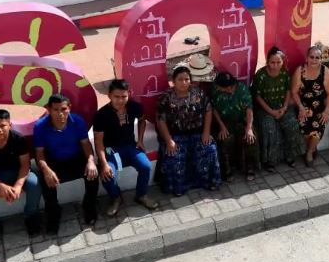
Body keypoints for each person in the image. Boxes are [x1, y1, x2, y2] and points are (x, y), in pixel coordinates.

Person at [33, 94, 99, 232]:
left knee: (93, 174)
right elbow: (39, 154)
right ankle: (53, 214)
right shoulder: (40, 127)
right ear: (48, 110)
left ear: (69, 108)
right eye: (55, 110)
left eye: (63, 109)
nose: (60, 114)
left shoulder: (78, 121)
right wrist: (47, 171)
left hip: (76, 158)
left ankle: (89, 207)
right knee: (45, 181)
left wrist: (91, 161)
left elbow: (86, 145)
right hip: (54, 161)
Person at [0, 109, 41, 244]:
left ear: (10, 125)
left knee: (34, 183)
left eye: (2, 126)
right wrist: (0, 186)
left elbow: (25, 165)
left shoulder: (18, 139)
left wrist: (18, 186)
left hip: (17, 173)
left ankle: (31, 216)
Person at [93, 79, 158, 216]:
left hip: (130, 147)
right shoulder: (101, 115)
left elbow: (142, 120)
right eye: (117, 97)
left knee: (145, 166)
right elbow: (98, 141)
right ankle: (116, 198)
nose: (120, 100)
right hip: (111, 150)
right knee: (108, 175)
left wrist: (140, 140)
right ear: (109, 95)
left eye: (124, 96)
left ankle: (141, 195)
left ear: (129, 94)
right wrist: (103, 163)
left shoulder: (135, 107)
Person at [155, 66, 221, 196]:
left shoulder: (198, 93)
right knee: (174, 156)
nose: (184, 82)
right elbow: (160, 120)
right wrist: (169, 141)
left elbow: (208, 110)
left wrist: (206, 132)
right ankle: (178, 188)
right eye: (180, 79)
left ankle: (209, 182)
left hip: (197, 132)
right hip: (176, 136)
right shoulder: (166, 97)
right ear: (173, 81)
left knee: (209, 149)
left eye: (186, 79)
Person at [251, 47, 302, 171]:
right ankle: (270, 161)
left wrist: (284, 108)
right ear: (267, 62)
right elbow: (257, 97)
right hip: (265, 108)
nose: (275, 65)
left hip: (281, 106)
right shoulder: (261, 75)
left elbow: (288, 91)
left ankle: (290, 156)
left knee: (292, 124)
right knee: (269, 127)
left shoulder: (284, 73)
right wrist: (271, 111)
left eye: (278, 62)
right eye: (272, 62)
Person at [210, 71, 259, 182]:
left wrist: (249, 128)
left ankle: (249, 167)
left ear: (229, 88)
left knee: (250, 138)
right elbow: (214, 109)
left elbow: (249, 109)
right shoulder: (216, 88)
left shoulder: (242, 90)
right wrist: (221, 126)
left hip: (242, 120)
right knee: (224, 139)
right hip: (225, 122)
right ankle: (227, 169)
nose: (217, 88)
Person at [292, 45, 329, 166]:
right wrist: (300, 107)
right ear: (307, 58)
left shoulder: (326, 73)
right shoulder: (299, 71)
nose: (314, 60)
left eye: (317, 57)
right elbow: (294, 92)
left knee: (317, 128)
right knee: (304, 125)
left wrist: (327, 111)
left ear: (321, 59)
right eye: (312, 57)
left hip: (321, 105)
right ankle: (312, 147)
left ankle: (309, 152)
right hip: (304, 104)